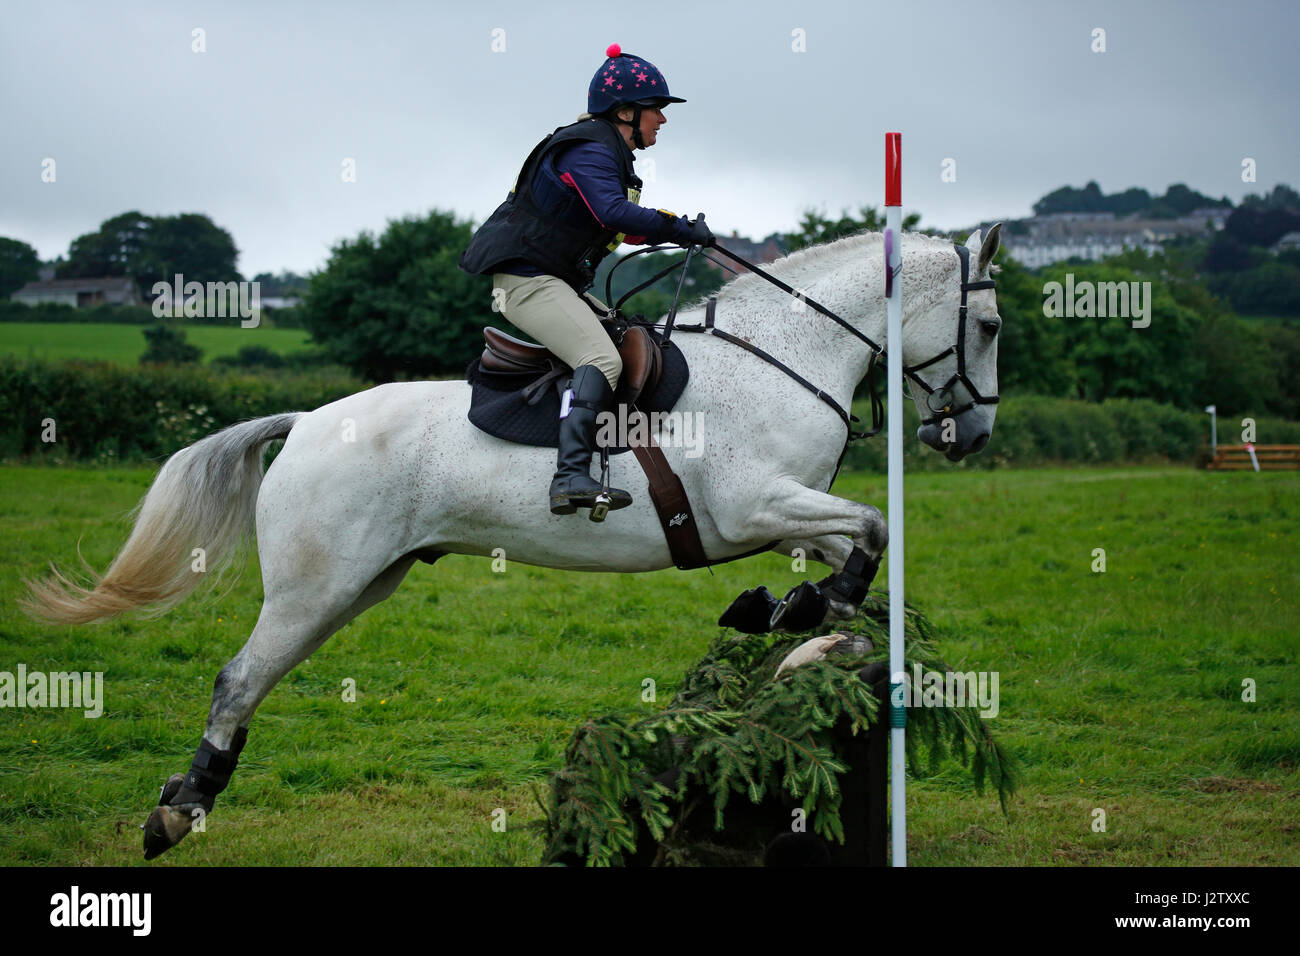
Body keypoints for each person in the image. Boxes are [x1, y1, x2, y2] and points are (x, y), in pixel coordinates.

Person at [459, 43, 715, 517]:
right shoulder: (588, 147)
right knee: (600, 358)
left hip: (549, 281)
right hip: (527, 281)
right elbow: (612, 211)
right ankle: (570, 476)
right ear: (625, 111)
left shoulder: (607, 151)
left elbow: (624, 227)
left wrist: (681, 234)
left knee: (630, 339)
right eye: (656, 109)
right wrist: (678, 226)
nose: (663, 119)